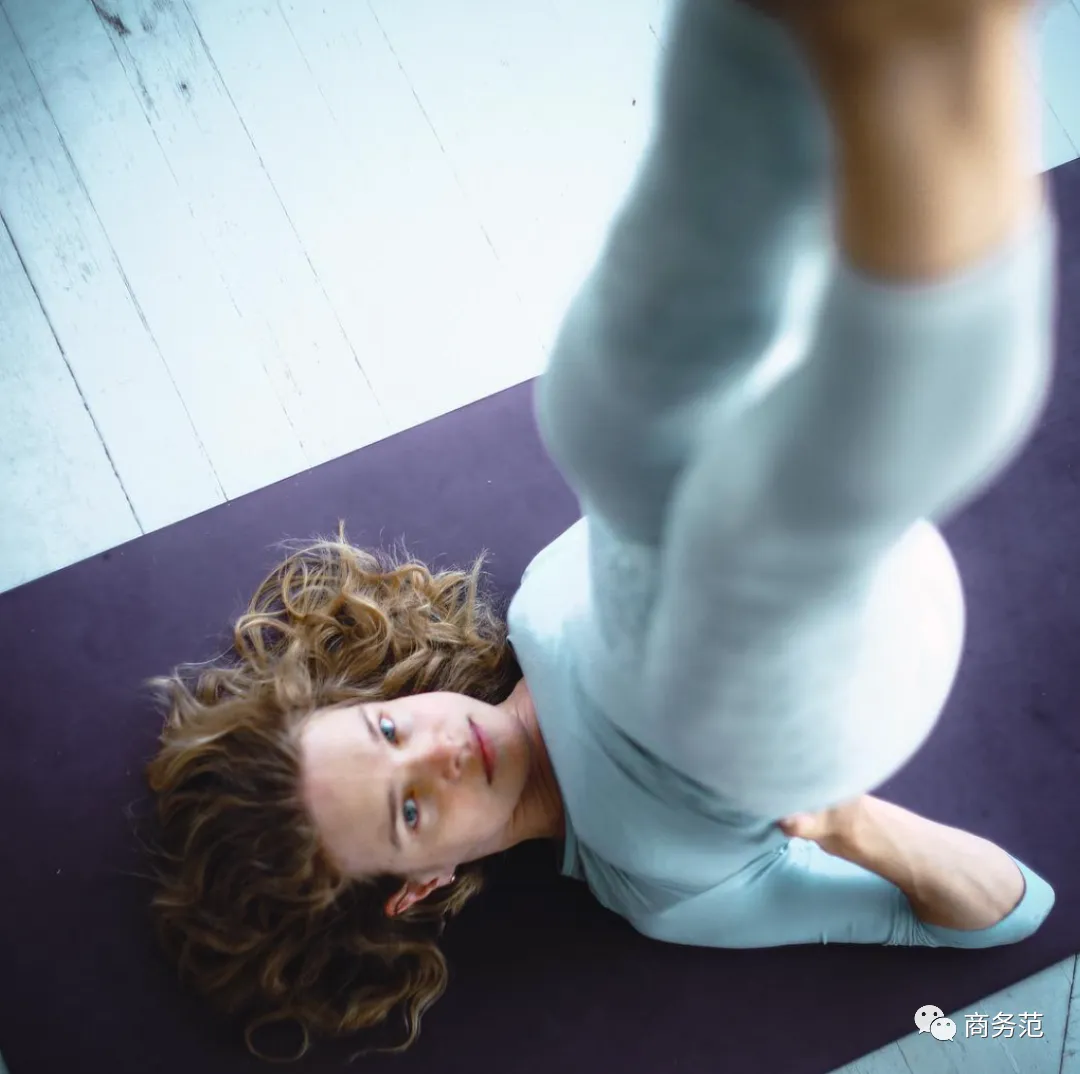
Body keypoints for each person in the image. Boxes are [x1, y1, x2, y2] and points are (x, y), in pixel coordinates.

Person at [146, 0, 1059, 1060]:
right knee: (723, 598)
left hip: (741, 510)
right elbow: (1012, 911)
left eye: (390, 732)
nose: (439, 752)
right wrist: (846, 822)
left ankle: (771, 35)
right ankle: (962, 80)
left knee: (594, 417)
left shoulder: (532, 613)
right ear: (421, 886)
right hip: (800, 694)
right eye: (410, 813)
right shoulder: (659, 893)